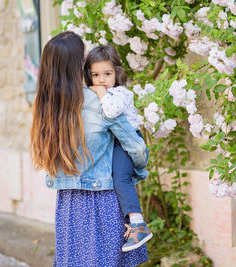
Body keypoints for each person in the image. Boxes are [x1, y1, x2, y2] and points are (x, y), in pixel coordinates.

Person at [30, 31, 149, 266]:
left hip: (68, 206)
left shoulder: (44, 106)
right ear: (77, 63)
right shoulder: (100, 100)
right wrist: (131, 171)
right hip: (103, 200)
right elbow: (137, 147)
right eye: (83, 53)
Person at [83, 45, 153, 252]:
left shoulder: (122, 93)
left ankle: (138, 224)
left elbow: (112, 112)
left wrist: (101, 92)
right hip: (114, 142)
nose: (101, 79)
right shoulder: (96, 92)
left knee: (120, 179)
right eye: (95, 75)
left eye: (107, 74)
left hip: (127, 141)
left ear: (117, 73)